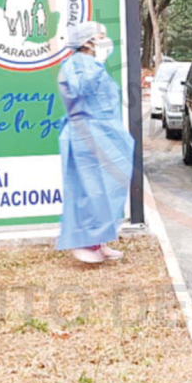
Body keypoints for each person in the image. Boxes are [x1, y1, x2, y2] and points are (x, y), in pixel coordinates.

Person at [56, 21, 134, 264]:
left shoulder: (90, 64)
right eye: (101, 36)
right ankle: (84, 243)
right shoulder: (76, 65)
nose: (104, 40)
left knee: (108, 188)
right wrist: (97, 64)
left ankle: (99, 241)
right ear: (87, 41)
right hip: (87, 136)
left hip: (105, 134)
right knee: (90, 190)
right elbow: (80, 90)